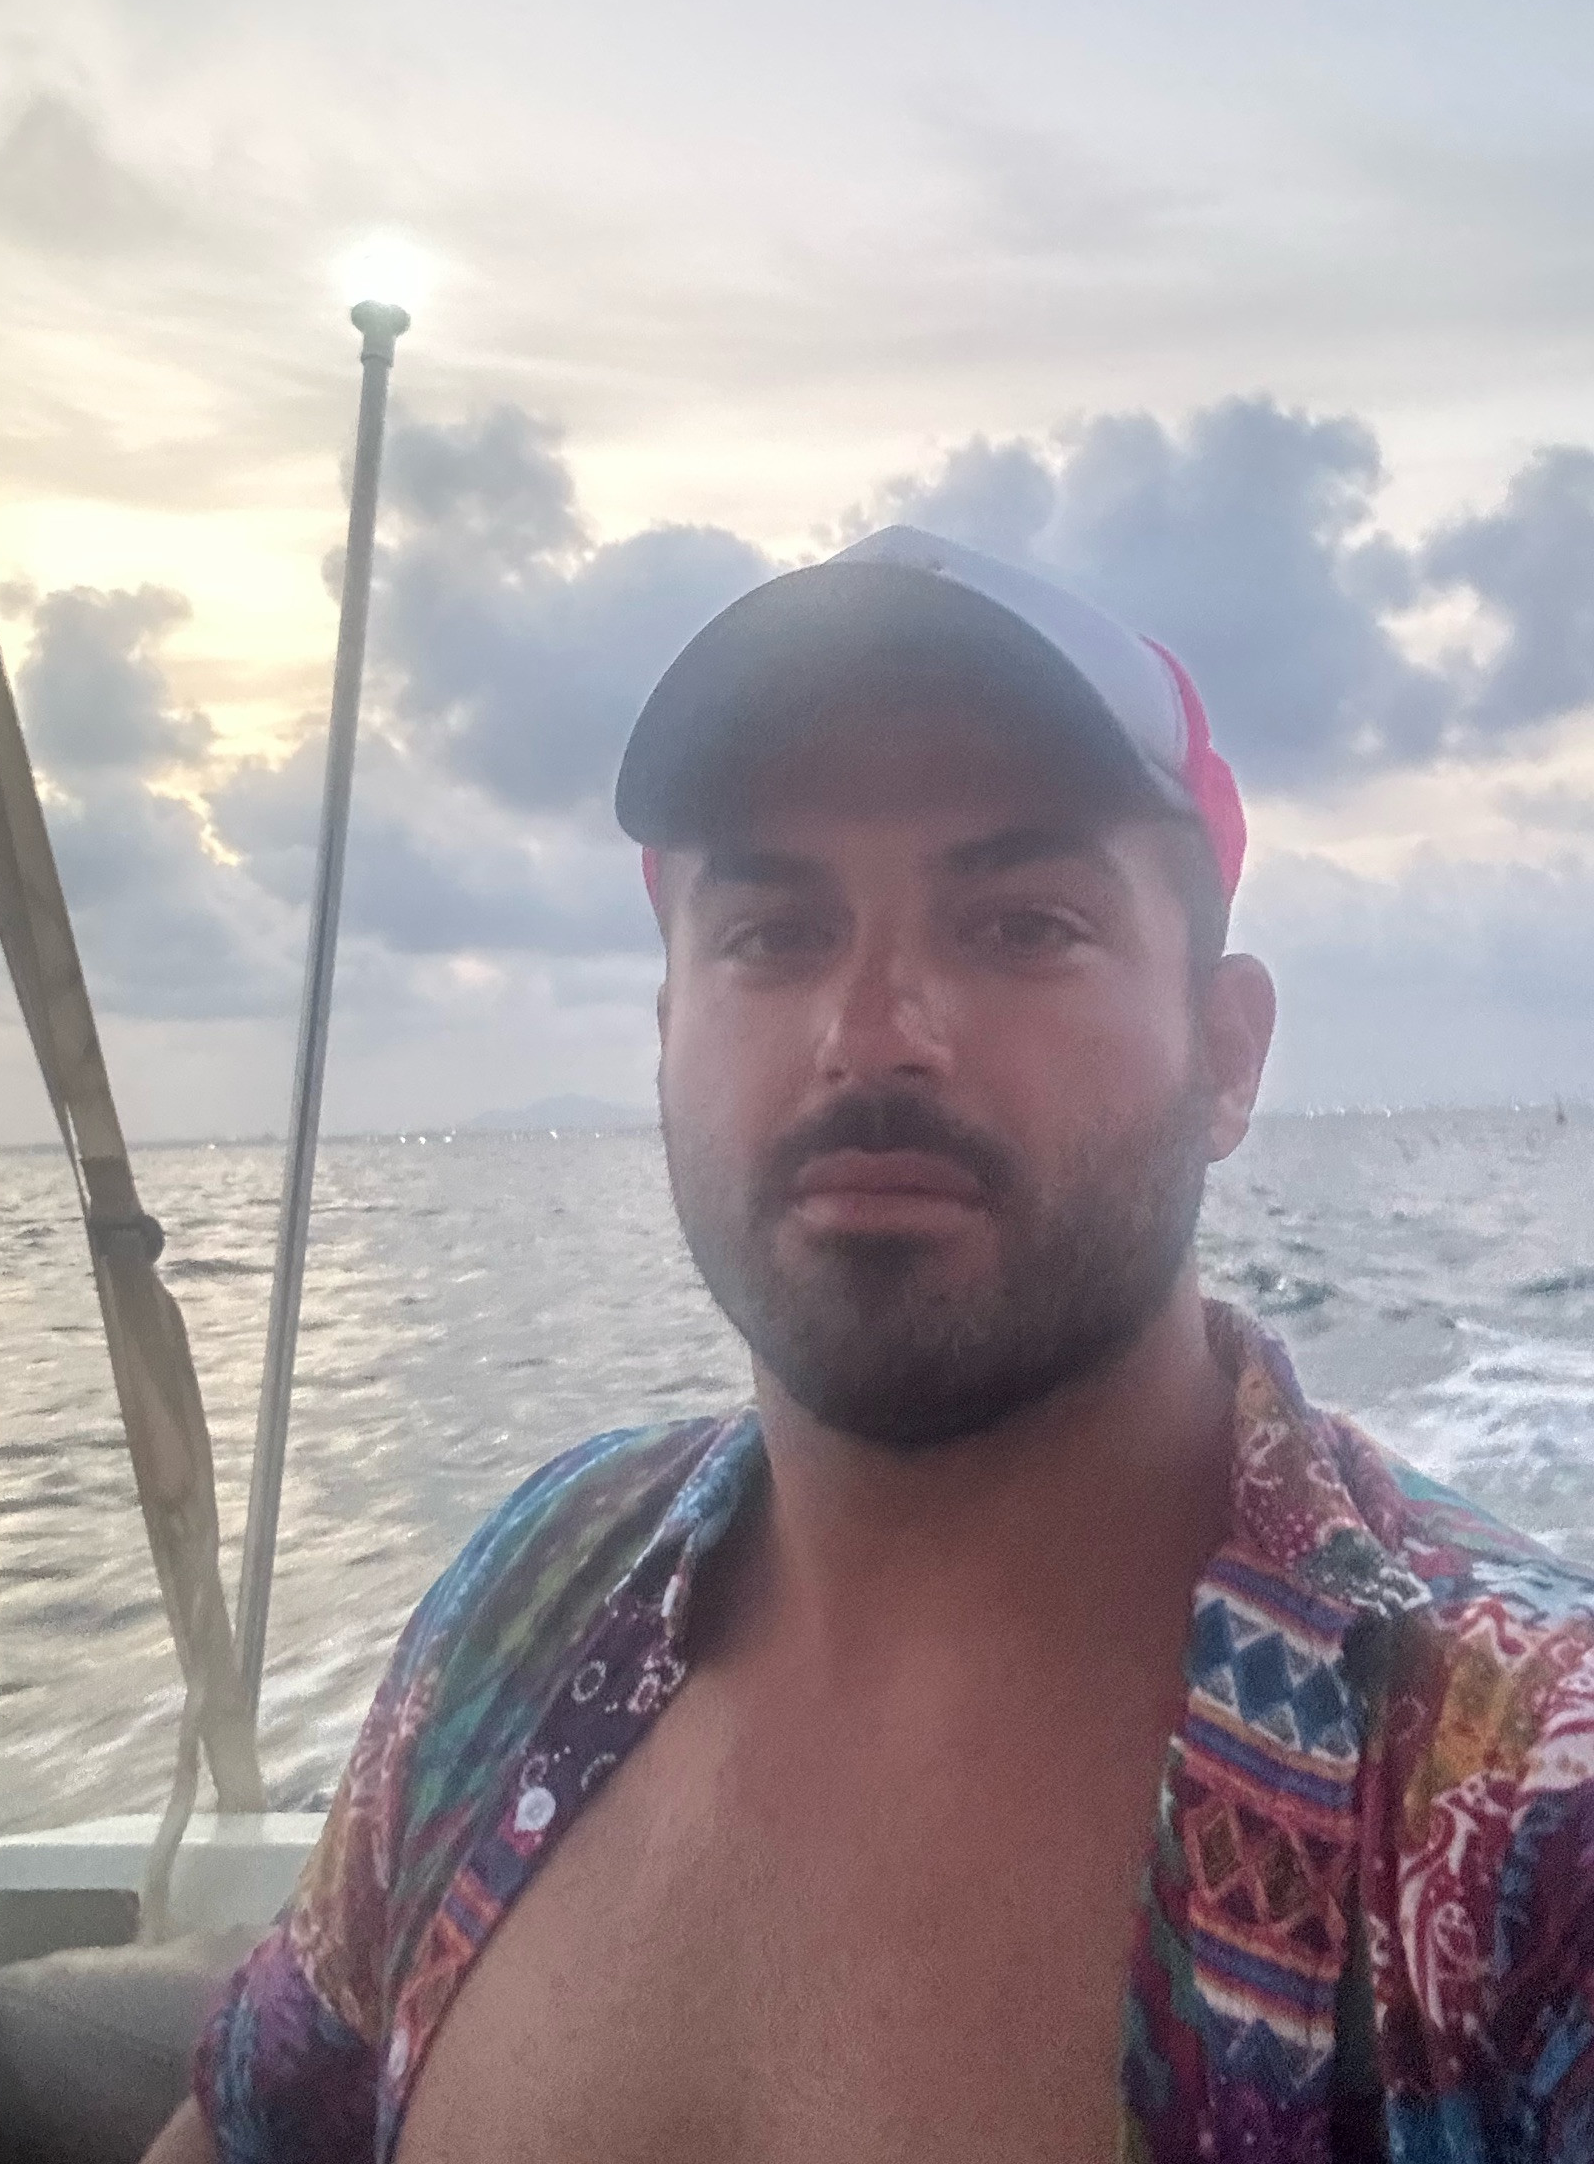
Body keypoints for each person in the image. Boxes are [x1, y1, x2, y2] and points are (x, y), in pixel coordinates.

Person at [149, 526, 1594, 2163]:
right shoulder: (528, 1599)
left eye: (1023, 925)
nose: (872, 1034)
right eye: (774, 935)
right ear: (666, 1032)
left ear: (1227, 1051)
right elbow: (248, 2125)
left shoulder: (1517, 1809)